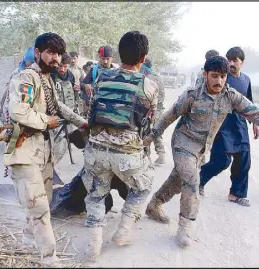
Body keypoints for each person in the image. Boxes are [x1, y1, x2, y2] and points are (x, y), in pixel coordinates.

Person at [143, 56, 259, 248]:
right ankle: (185, 226)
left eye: (223, 77)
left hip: (200, 148)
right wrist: (151, 136)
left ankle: (154, 205)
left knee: (178, 179)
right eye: (214, 76)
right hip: (183, 142)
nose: (219, 81)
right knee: (191, 180)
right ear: (205, 75)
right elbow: (169, 116)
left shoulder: (231, 96)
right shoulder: (192, 95)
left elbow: (256, 113)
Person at [5, 32, 87, 267]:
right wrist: (46, 121)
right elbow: (19, 111)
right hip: (24, 150)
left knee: (45, 200)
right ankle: (49, 258)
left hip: (43, 151)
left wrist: (80, 122)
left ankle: (29, 236)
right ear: (38, 52)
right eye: (51, 52)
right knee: (39, 206)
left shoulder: (46, 78)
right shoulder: (26, 77)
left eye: (59, 54)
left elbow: (57, 106)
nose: (56, 58)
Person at [81, 31, 158, 261]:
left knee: (95, 195)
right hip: (127, 154)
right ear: (143, 58)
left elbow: (90, 110)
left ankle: (93, 246)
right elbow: (147, 123)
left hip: (95, 150)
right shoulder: (149, 85)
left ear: (119, 53)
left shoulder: (101, 77)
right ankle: (123, 231)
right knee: (142, 187)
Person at [199, 47, 259, 206]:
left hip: (240, 123)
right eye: (229, 60)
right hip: (222, 123)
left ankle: (236, 194)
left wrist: (255, 123)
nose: (231, 63)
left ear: (242, 63)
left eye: (235, 61)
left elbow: (249, 102)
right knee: (222, 160)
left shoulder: (246, 80)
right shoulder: (222, 78)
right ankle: (199, 180)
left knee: (244, 158)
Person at [140, 58, 167, 164]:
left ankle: (147, 157)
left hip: (149, 110)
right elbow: (162, 94)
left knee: (146, 133)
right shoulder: (158, 77)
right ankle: (161, 155)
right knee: (156, 131)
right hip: (158, 109)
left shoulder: (145, 77)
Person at [80, 46, 116, 118]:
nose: (105, 61)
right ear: (99, 58)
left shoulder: (116, 71)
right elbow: (82, 84)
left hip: (112, 107)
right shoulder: (94, 70)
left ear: (112, 58)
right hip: (97, 108)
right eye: (103, 59)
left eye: (107, 59)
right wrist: (85, 85)